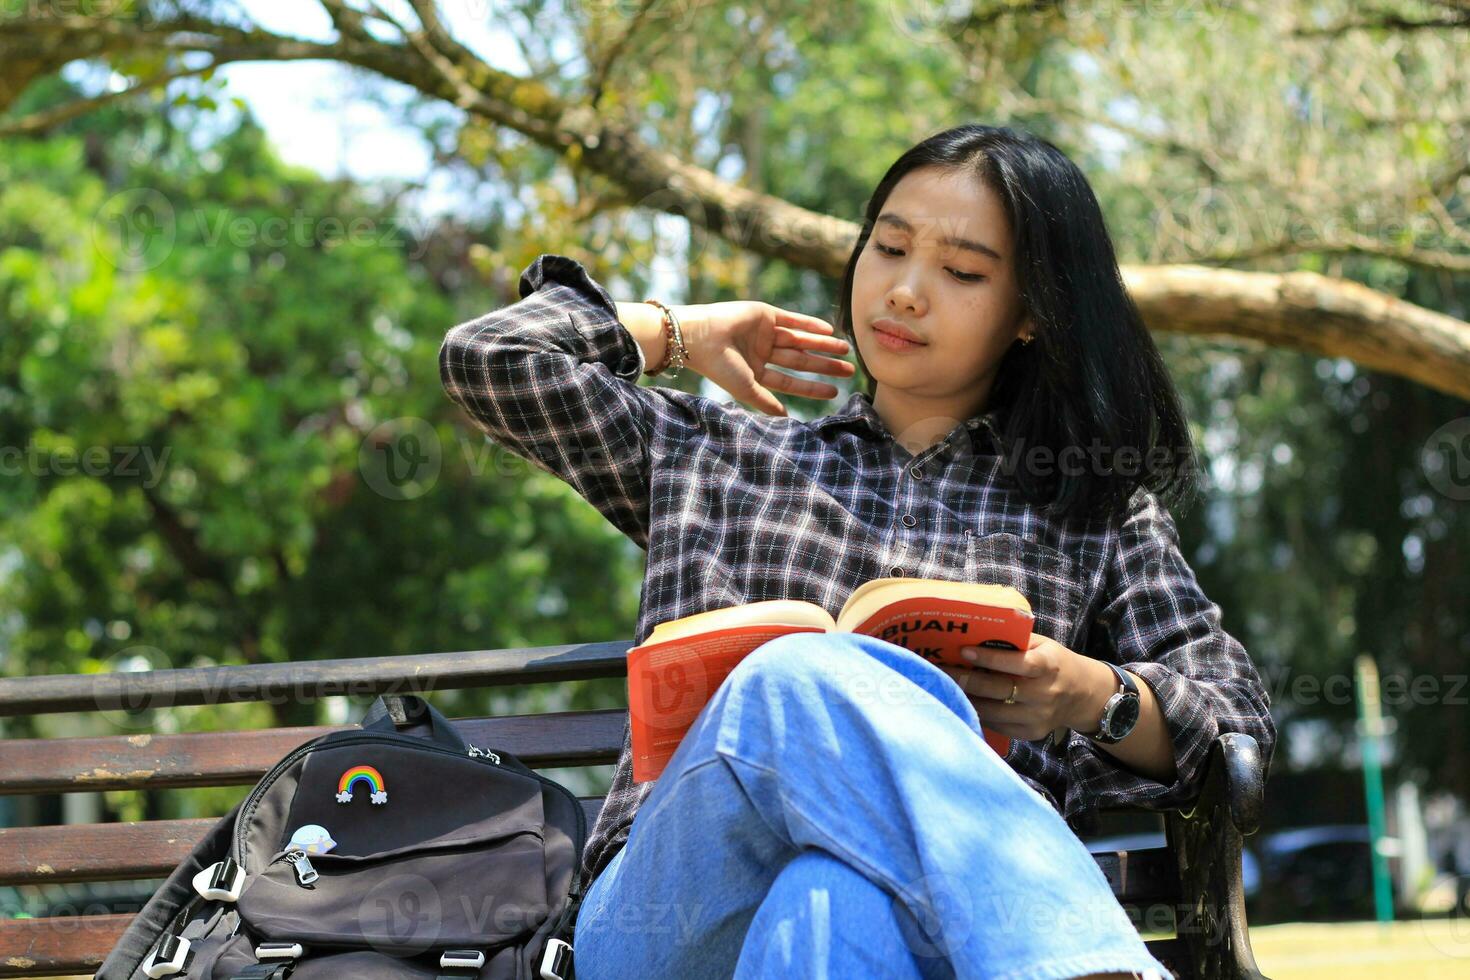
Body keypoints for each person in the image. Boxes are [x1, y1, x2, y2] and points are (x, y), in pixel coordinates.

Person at [438, 123, 1276, 979]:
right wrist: (675, 332)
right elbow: (487, 360)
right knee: (794, 677)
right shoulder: (717, 456)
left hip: (920, 940)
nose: (906, 291)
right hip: (664, 922)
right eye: (889, 247)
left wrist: (1090, 693)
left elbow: (1233, 720)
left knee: (835, 899)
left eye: (961, 271)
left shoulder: (1089, 511)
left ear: (1030, 315)